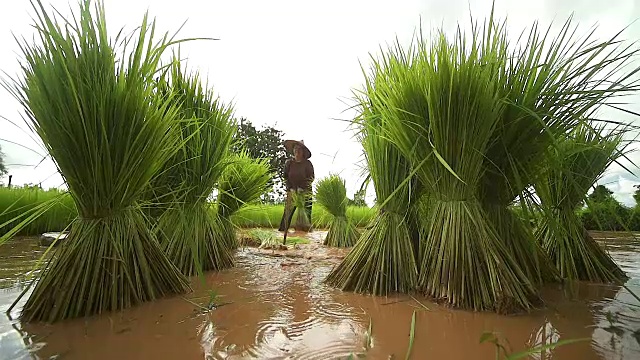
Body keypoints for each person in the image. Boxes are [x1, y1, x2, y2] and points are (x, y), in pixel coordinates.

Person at [278, 139, 314, 232]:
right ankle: (283, 231)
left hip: (305, 193)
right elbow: (285, 177)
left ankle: (306, 235)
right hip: (292, 192)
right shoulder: (289, 163)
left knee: (306, 215)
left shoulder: (307, 164)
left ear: (303, 152)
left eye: (299, 149)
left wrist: (302, 188)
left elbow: (311, 178)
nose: (297, 151)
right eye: (295, 149)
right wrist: (290, 189)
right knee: (287, 214)